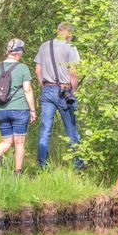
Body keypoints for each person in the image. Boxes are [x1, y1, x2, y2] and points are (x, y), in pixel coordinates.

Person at [34, 22, 84, 169]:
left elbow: (38, 70)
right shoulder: (71, 48)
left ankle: (43, 165)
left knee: (45, 129)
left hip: (47, 90)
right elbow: (73, 72)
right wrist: (73, 91)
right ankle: (78, 164)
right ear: (69, 33)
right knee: (71, 129)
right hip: (65, 91)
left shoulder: (44, 46)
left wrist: (44, 86)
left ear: (58, 31)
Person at [0, 38, 37, 176]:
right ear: (18, 52)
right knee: (19, 142)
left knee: (6, 141)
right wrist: (32, 110)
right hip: (19, 110)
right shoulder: (22, 68)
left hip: (0, 109)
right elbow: (27, 90)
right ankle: (17, 173)